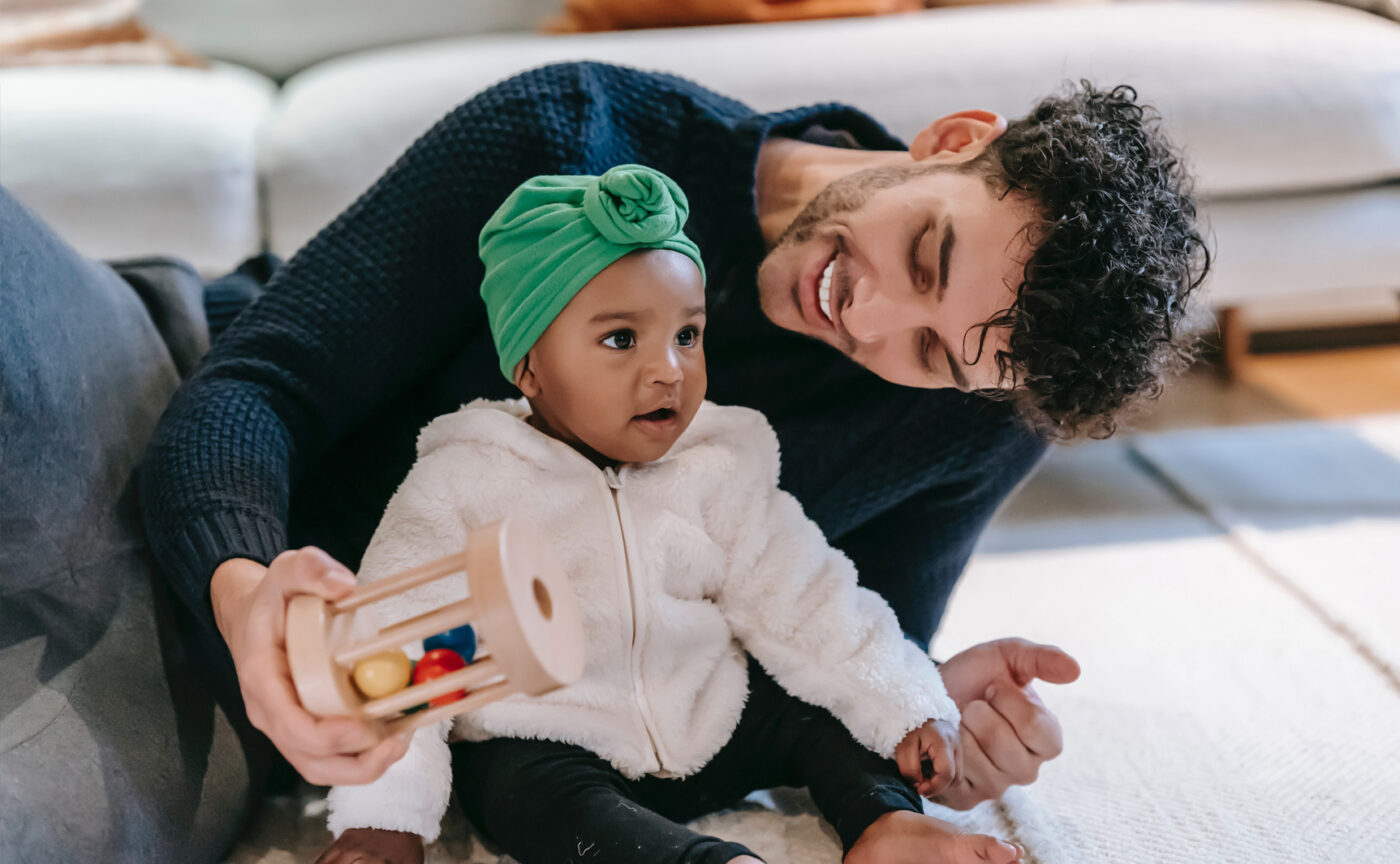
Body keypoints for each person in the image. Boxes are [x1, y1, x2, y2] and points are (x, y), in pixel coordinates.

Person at [0, 59, 1203, 860]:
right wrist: (245, 591)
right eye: (924, 254)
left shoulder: (972, 419)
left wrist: (923, 702)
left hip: (280, 696)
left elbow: (780, 655)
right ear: (950, 142)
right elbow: (261, 386)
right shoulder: (576, 132)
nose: (871, 319)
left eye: (935, 352)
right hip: (172, 398)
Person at [315, 164, 1024, 864]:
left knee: (821, 706)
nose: (670, 371)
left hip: (707, 716)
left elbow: (805, 594)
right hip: (557, 740)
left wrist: (907, 702)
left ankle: (886, 824)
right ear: (530, 365)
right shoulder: (464, 477)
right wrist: (382, 821)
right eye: (621, 339)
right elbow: (395, 650)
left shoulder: (720, 462)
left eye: (687, 335)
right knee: (514, 789)